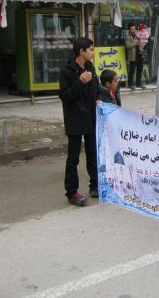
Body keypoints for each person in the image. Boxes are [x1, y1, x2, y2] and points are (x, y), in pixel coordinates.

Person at [59, 37, 100, 206]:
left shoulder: (90, 66)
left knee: (93, 153)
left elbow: (95, 88)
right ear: (81, 52)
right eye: (90, 49)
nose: (92, 52)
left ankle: (95, 185)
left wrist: (98, 99)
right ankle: (71, 192)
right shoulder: (67, 71)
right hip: (75, 118)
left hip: (90, 117)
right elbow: (65, 96)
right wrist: (80, 82)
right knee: (73, 157)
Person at [125, 23, 145, 90]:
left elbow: (142, 43)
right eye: (132, 29)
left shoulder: (138, 36)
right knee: (132, 70)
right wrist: (136, 42)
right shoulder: (127, 37)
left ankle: (138, 83)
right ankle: (130, 84)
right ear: (129, 30)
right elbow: (128, 46)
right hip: (133, 56)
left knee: (140, 69)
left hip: (140, 54)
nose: (134, 30)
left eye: (134, 29)